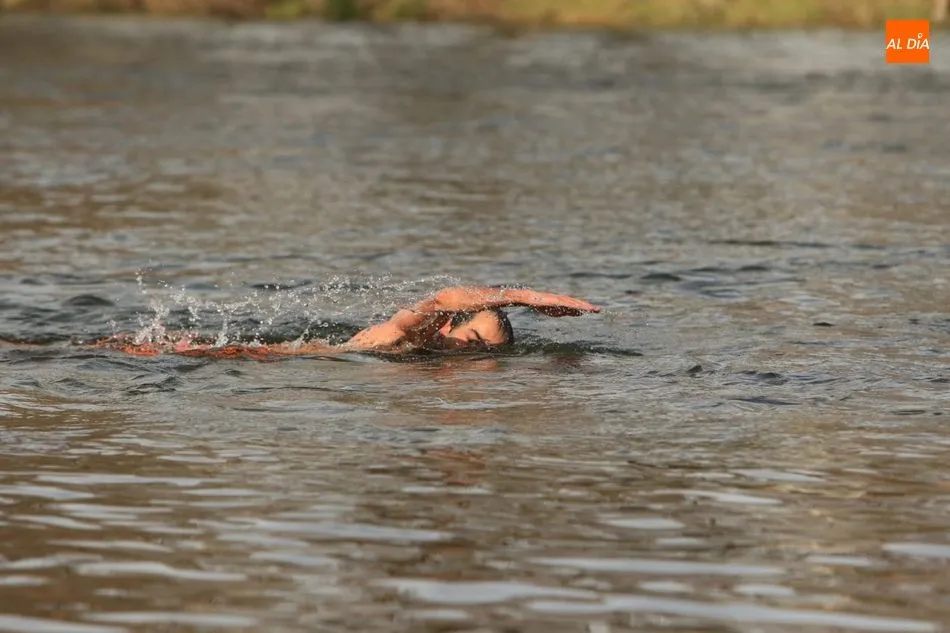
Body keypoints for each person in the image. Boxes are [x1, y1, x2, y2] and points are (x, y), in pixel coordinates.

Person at [94, 285, 600, 359]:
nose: (477, 356)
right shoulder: (417, 333)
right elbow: (444, 295)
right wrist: (526, 297)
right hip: (269, 363)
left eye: (487, 351)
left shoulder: (439, 357)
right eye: (473, 341)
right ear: (448, 327)